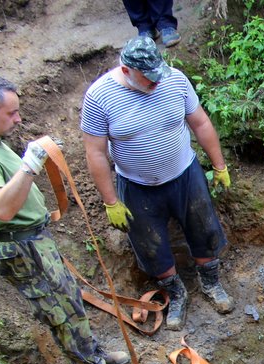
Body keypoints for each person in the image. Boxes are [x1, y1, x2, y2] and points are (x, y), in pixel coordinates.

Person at [0, 74, 136, 364]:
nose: (18, 118)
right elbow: (0, 208)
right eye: (11, 113)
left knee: (68, 296)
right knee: (57, 309)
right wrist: (29, 165)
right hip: (19, 246)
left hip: (32, 240)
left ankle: (93, 354)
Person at [80, 36, 233, 331]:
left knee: (203, 228)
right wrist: (110, 201)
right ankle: (175, 293)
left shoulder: (174, 80)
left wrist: (219, 165)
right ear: (126, 70)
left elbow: (200, 123)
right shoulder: (99, 97)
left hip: (185, 174)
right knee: (151, 245)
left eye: (157, 75)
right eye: (148, 78)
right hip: (137, 186)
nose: (156, 83)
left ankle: (210, 282)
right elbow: (95, 152)